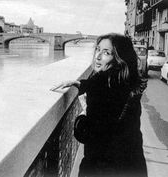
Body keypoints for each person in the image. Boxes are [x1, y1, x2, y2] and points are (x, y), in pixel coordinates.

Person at [51, 33, 147, 177]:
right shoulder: (127, 83)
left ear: (119, 59)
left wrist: (83, 114)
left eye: (106, 53)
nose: (98, 56)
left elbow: (86, 134)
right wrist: (81, 84)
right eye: (98, 49)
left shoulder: (101, 87)